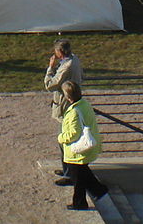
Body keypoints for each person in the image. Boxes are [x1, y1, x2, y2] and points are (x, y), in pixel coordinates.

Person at [57, 81, 108, 211]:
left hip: (78, 150)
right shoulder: (85, 104)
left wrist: (61, 138)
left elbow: (73, 133)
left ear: (68, 97)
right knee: (83, 173)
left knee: (78, 179)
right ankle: (99, 191)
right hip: (87, 146)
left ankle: (79, 203)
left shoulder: (74, 111)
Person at [44, 39, 83, 184]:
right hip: (71, 100)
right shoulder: (75, 59)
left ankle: (69, 174)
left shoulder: (66, 66)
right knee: (66, 140)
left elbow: (50, 85)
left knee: (65, 141)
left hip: (65, 104)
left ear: (60, 52)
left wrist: (50, 68)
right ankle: (67, 169)